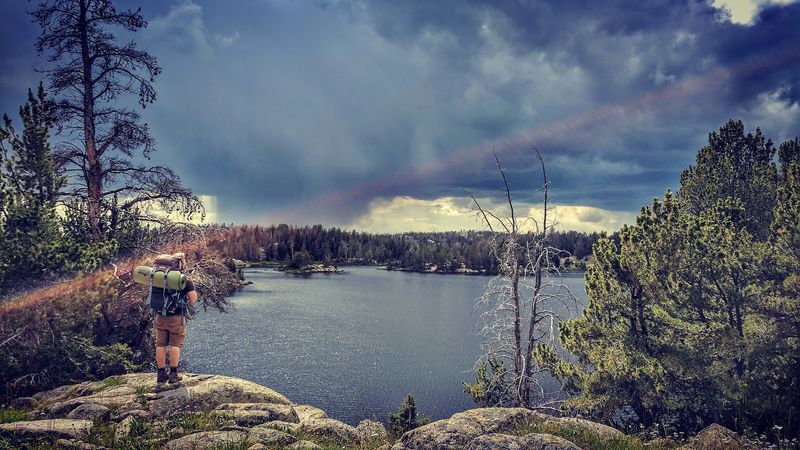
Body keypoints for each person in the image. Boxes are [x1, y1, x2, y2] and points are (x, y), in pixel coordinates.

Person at [153, 252, 197, 383]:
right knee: (175, 345)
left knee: (160, 345)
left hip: (160, 315)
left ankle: (160, 374)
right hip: (176, 317)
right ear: (180, 264)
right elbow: (193, 299)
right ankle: (173, 374)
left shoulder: (157, 277)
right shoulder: (184, 279)